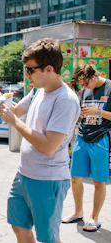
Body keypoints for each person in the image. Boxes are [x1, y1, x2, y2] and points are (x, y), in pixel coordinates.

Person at [0, 38, 80, 243]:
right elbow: (13, 112)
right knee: (19, 226)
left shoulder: (65, 99)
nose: (27, 74)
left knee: (48, 238)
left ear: (48, 69)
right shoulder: (37, 91)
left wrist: (15, 122)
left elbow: (49, 146)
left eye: (30, 70)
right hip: (24, 174)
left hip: (48, 179)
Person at [61, 64, 110, 232]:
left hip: (101, 139)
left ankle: (94, 218)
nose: (84, 87)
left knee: (99, 181)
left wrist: (98, 112)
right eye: (81, 84)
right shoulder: (85, 91)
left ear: (94, 75)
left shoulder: (109, 87)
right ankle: (78, 212)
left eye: (86, 83)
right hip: (82, 137)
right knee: (75, 177)